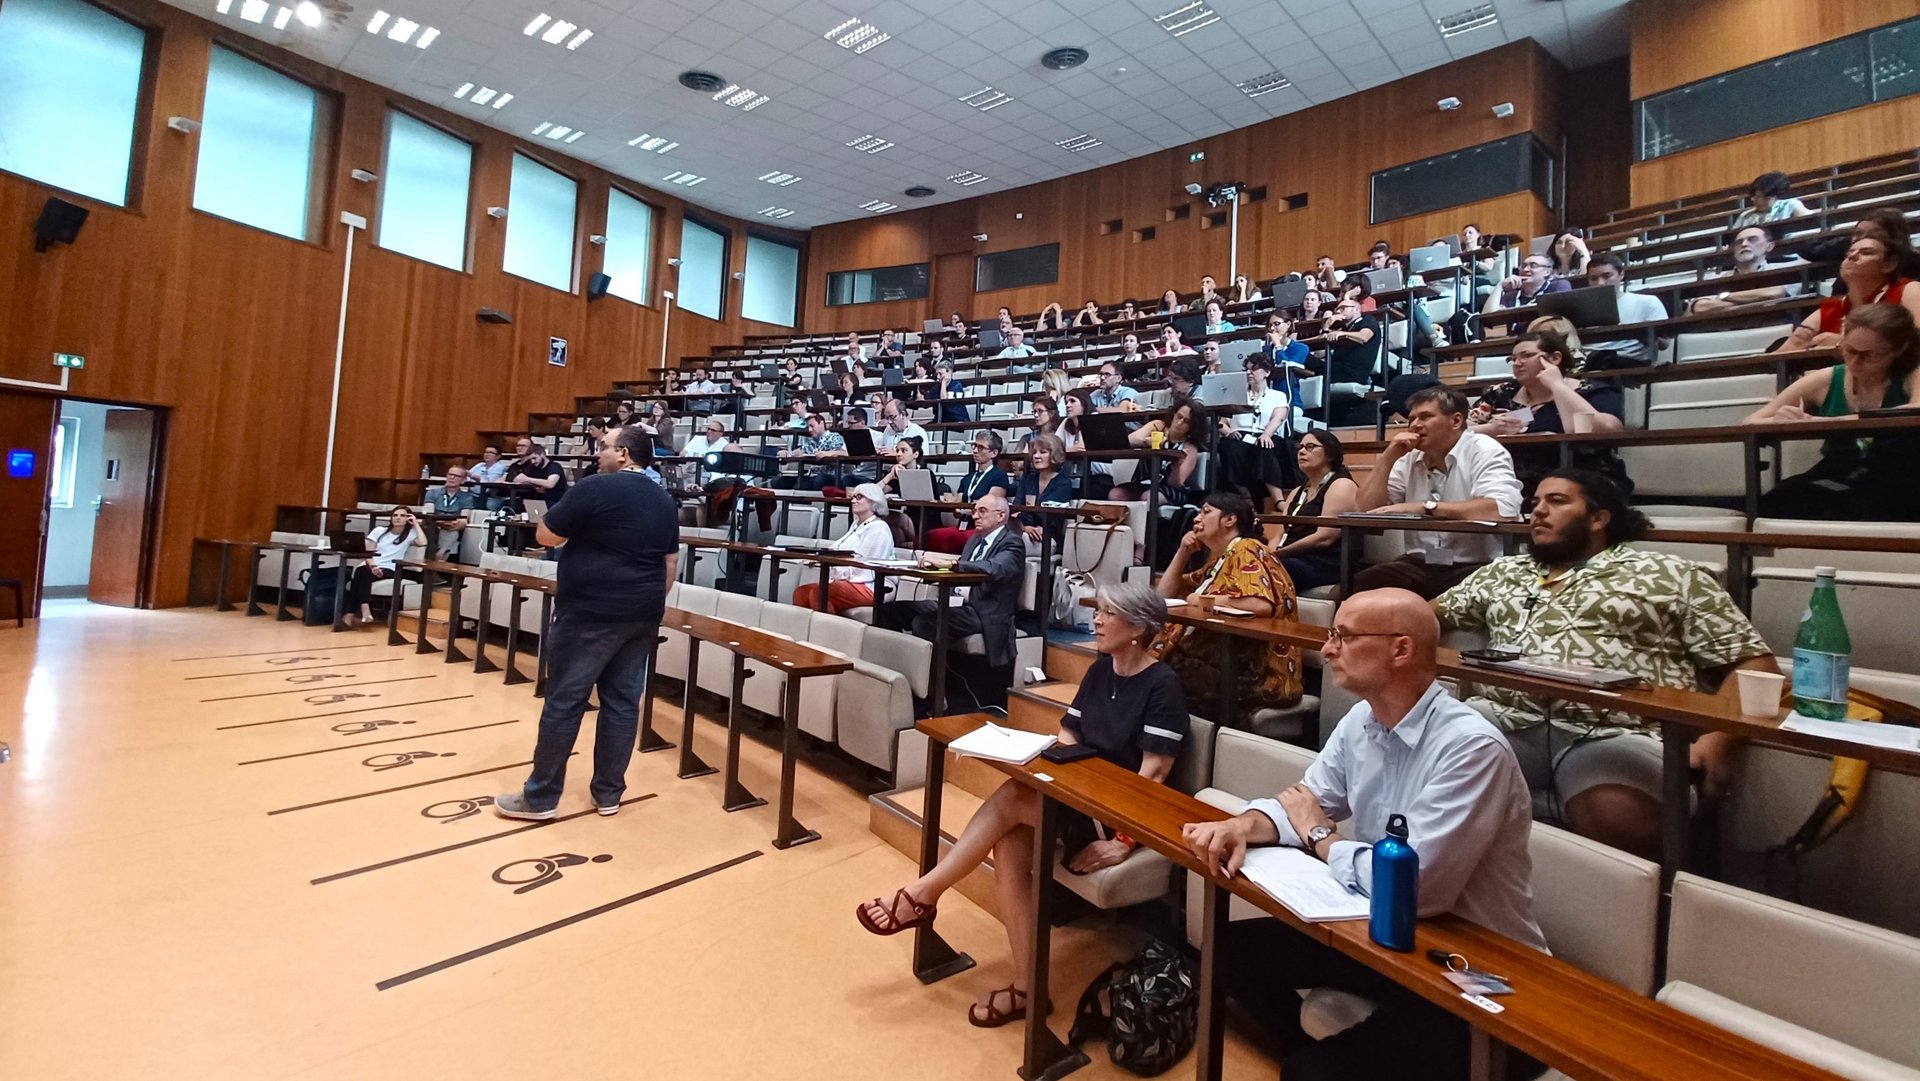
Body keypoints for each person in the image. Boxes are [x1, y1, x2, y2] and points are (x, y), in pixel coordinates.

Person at [1183, 588, 1544, 1081]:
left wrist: (1322, 838)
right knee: (1227, 950)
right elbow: (1306, 800)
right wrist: (1241, 825)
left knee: (1315, 1074)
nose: (1327, 649)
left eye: (1345, 636)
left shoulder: (1470, 747)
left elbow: (1416, 892)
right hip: (1383, 934)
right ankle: (1307, 1056)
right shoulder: (1363, 718)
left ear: (1400, 649)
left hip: (1469, 963)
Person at [861, 581, 1187, 1028]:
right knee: (1009, 846)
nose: (1096, 619)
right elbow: (1070, 735)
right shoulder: (1100, 669)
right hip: (1074, 795)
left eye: (1108, 613)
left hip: (1114, 813)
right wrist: (1045, 761)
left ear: (1137, 628)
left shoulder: (1163, 686)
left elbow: (1154, 776)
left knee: (1014, 796)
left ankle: (924, 893)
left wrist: (1124, 842)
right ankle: (1027, 991)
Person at [1436, 469, 1776, 857]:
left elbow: (1754, 663)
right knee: (1419, 764)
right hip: (1504, 716)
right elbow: (1423, 617)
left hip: (1618, 732)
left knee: (1614, 816)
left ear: (1599, 519)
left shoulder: (1668, 574)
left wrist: (1717, 742)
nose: (1538, 512)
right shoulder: (1503, 572)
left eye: (1557, 501)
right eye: (1534, 504)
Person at [495, 427, 678, 820]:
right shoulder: (663, 499)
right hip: (642, 615)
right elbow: (670, 563)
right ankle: (609, 794)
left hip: (590, 615)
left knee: (565, 701)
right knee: (623, 704)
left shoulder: (596, 487)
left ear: (624, 454)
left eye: (604, 447)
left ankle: (541, 798)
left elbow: (546, 536)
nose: (598, 454)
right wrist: (646, 602)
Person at [1747, 303, 1920, 520]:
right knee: (1779, 503)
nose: (1855, 362)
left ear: (1899, 349)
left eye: (1870, 355)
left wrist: (1825, 421)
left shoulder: (1913, 373)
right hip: (1839, 470)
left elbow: (1916, 409)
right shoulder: (1827, 378)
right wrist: (1781, 419)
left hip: (1902, 474)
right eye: (1849, 350)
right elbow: (1751, 421)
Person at [1349, 387, 1522, 599]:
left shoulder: (1485, 451)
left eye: (1425, 417)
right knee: (1355, 586)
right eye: (1411, 419)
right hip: (1419, 563)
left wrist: (1425, 507)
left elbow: (1501, 509)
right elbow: (1366, 510)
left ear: (1456, 421)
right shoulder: (1408, 458)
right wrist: (1387, 457)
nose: (1415, 425)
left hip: (1476, 565)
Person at [1152, 492, 1302, 723]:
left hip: (1256, 671)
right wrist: (1183, 553)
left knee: (1157, 677)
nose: (1196, 518)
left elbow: (1259, 604)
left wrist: (1202, 601)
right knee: (1143, 666)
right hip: (1221, 659)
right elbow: (1164, 595)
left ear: (1230, 520)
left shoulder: (1247, 548)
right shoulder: (1222, 560)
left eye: (1206, 511)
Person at [877, 491, 1028, 682]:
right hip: (955, 602)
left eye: (982, 511)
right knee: (892, 611)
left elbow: (995, 568)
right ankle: (893, 674)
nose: (975, 516)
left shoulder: (1012, 542)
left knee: (925, 623)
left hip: (984, 611)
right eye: (974, 511)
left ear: (1001, 516)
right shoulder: (974, 540)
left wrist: (952, 564)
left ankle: (931, 689)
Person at [1468, 329, 1629, 499]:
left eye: (1526, 355)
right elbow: (1457, 430)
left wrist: (1557, 385)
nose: (1517, 363)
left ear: (1554, 358)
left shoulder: (1590, 391)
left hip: (1584, 483)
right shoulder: (1503, 393)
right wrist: (1492, 429)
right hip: (1511, 485)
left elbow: (1598, 431)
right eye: (1513, 359)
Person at [1777, 233, 1920, 351]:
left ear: (1889, 265)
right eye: (1848, 254)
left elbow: (1916, 338)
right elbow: (1791, 347)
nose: (1852, 256)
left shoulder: (1907, 290)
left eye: (1866, 252)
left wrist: (1844, 342)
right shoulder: (1830, 309)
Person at [1270, 429, 1359, 592]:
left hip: (1323, 561)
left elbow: (1324, 538)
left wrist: (1278, 555)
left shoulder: (1341, 485)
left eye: (1310, 446)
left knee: (1270, 569)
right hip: (1290, 557)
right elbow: (1278, 535)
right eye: (1300, 447)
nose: (1302, 451)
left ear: (1330, 454)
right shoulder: (1297, 491)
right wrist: (1266, 554)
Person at [790, 483, 894, 614]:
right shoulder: (857, 525)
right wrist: (818, 558)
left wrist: (834, 568)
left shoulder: (879, 528)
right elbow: (836, 549)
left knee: (820, 592)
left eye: (859, 497)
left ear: (874, 501)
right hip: (851, 581)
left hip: (871, 586)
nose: (853, 500)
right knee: (801, 593)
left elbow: (864, 566)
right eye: (853, 497)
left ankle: (828, 633)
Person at [1218, 354, 1296, 507]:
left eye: (1254, 369)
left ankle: (1278, 499)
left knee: (1265, 445)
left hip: (1266, 433)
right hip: (1240, 435)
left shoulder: (1277, 395)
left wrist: (1267, 433)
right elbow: (1222, 421)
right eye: (1246, 369)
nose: (1249, 373)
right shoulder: (1236, 395)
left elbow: (1279, 417)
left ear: (1266, 372)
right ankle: (1245, 495)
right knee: (1228, 446)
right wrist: (1228, 432)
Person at [923, 432, 1012, 553]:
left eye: (980, 447)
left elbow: (991, 507)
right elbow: (957, 505)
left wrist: (966, 510)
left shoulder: (999, 476)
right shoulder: (968, 478)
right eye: (974, 446)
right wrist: (958, 509)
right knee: (926, 537)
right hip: (963, 524)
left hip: (983, 528)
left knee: (951, 541)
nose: (975, 450)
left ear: (994, 453)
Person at [342, 506, 426, 628]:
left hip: (390, 569)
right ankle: (364, 611)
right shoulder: (379, 531)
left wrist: (416, 524)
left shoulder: (409, 535)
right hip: (372, 566)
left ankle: (351, 616)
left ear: (408, 519)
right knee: (362, 572)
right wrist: (374, 566)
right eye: (395, 515)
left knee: (360, 576)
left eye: (402, 516)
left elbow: (423, 542)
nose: (398, 518)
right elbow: (368, 553)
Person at [1580, 252, 1669, 366]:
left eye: (1607, 276)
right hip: (1586, 364)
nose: (1600, 283)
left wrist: (1642, 333)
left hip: (1628, 364)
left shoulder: (1647, 302)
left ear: (1621, 275)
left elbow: (1664, 344)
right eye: (1593, 279)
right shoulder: (1581, 307)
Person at [1688, 223, 1800, 313]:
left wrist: (1724, 296)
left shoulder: (1784, 270)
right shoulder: (1715, 278)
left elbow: (1776, 293)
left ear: (1769, 246)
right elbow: (1700, 307)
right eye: (1739, 242)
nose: (1744, 244)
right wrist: (1757, 300)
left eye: (1752, 239)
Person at [1013, 433, 1073, 553]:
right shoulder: (1027, 480)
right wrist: (1025, 527)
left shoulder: (1063, 483)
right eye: (1034, 452)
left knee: (1015, 542)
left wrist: (1029, 524)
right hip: (1023, 530)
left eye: (1043, 452)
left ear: (1054, 455)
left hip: (1048, 535)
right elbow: (1016, 508)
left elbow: (1051, 516)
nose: (1036, 456)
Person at [1482, 252, 1570, 316]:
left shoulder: (1558, 286)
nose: (1525, 269)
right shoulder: (1511, 296)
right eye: (1523, 266)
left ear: (1547, 271)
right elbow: (1488, 316)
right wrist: (1499, 286)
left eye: (1533, 265)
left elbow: (1560, 315)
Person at [1731, 170, 1812, 229]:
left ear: (1775, 197)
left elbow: (1810, 221)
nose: (1756, 200)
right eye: (1754, 196)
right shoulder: (1745, 216)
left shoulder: (1790, 205)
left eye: (1762, 197)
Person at [426, 465, 477, 560]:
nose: (452, 477)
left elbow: (464, 519)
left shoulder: (467, 497)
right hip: (434, 525)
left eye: (456, 476)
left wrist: (453, 524)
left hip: (452, 527)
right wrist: (441, 522)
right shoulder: (432, 493)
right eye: (450, 474)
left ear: (463, 480)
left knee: (452, 532)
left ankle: (439, 557)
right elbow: (428, 514)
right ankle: (438, 559)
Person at [505, 437, 569, 504]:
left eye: (534, 458)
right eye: (531, 459)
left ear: (542, 454)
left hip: (554, 501)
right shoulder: (533, 467)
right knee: (509, 503)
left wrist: (527, 479)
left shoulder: (554, 466)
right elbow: (519, 479)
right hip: (537, 500)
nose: (532, 462)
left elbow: (550, 484)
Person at [932, 360, 969, 424]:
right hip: (940, 418)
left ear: (948, 373)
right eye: (936, 374)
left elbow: (943, 400)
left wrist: (943, 383)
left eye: (940, 374)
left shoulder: (956, 385)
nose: (938, 377)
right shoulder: (936, 387)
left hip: (956, 417)